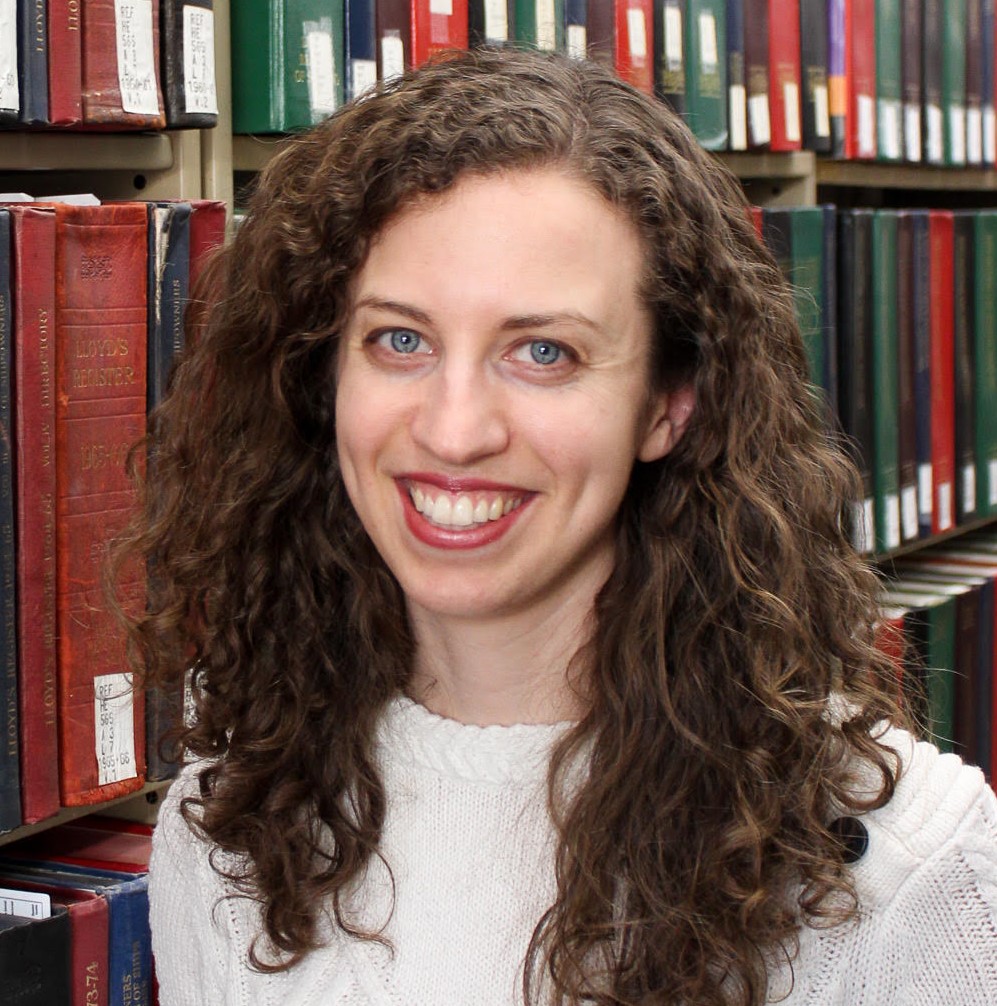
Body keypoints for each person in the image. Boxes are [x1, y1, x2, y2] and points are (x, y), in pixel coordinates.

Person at [120, 47, 997, 1006]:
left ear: (670, 405)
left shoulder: (898, 872)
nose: (454, 431)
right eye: (399, 340)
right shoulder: (225, 830)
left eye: (543, 351)